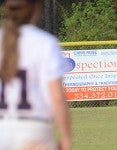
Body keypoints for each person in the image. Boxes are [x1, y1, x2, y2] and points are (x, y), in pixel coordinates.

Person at [0, 0, 72, 150]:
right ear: (37, 9)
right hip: (35, 130)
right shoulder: (45, 43)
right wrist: (66, 136)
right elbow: (57, 96)